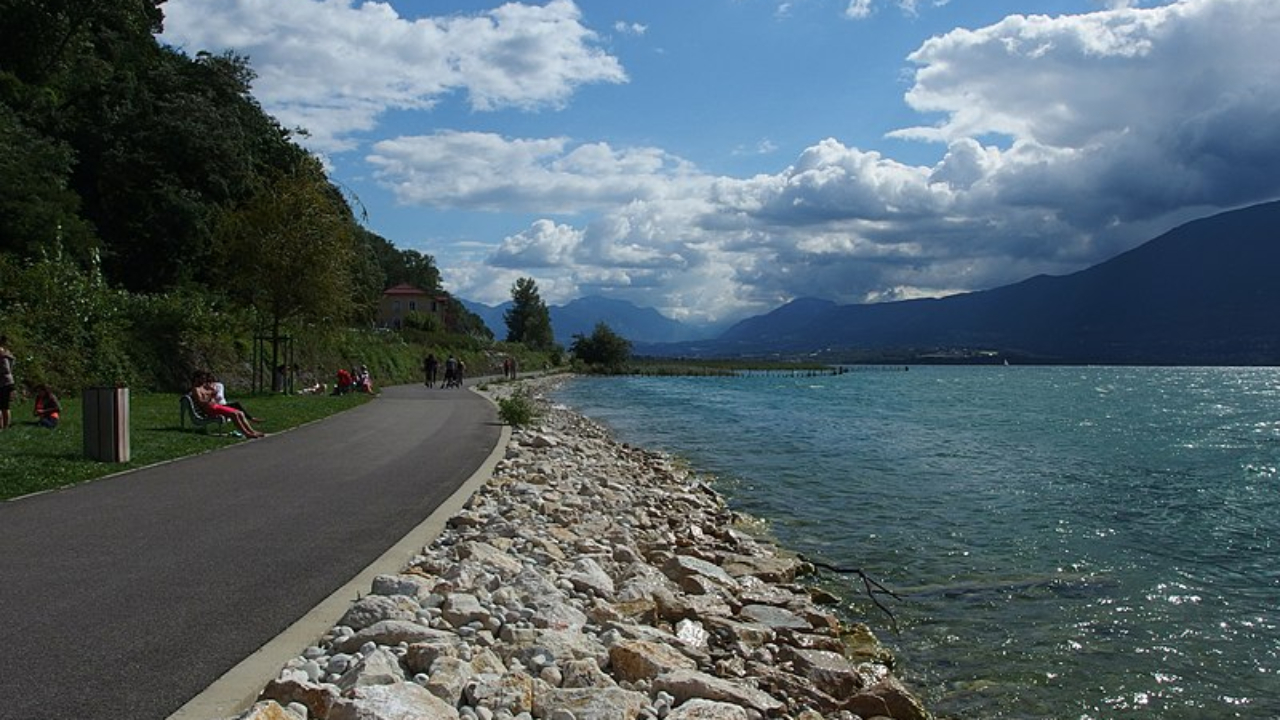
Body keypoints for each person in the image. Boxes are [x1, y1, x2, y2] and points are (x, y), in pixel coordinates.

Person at [191, 372, 265, 438]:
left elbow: (212, 393)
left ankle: (252, 431)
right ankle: (246, 433)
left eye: (204, 378)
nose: (204, 380)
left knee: (240, 413)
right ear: (197, 378)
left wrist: (212, 392)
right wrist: (210, 397)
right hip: (210, 409)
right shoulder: (196, 389)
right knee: (234, 414)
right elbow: (200, 402)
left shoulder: (204, 387)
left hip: (216, 406)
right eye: (202, 378)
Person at [0, 335, 14, 430]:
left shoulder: (2, 353)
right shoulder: (7, 353)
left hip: (2, 382)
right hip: (9, 381)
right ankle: (6, 426)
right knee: (5, 406)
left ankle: (1, 427)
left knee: (2, 406)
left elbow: (6, 369)